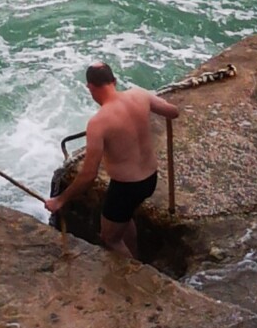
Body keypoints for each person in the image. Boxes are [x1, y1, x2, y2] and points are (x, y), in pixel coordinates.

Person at [46, 61, 182, 259]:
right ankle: (135, 254)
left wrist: (60, 200)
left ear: (90, 87)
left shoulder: (98, 123)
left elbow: (89, 174)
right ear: (114, 81)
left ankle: (138, 275)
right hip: (150, 179)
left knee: (110, 238)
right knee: (124, 218)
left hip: (125, 189)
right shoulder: (139, 95)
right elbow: (173, 112)